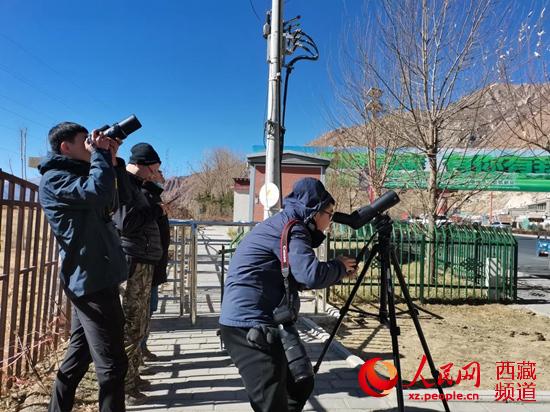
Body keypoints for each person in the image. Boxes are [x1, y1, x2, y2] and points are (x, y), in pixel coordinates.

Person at [219, 177, 357, 412]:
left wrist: (337, 271)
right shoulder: (294, 227)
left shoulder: (285, 223)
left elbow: (292, 276)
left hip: (262, 319)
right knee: (271, 403)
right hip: (248, 324)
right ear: (315, 212)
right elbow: (309, 275)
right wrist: (339, 267)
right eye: (330, 214)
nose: (330, 221)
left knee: (300, 383)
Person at [38, 122, 128, 412]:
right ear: (66, 147)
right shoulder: (55, 179)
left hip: (94, 276)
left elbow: (112, 203)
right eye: (84, 141)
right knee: (113, 365)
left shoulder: (78, 176)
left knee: (80, 355)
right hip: (91, 281)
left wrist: (110, 161)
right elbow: (98, 193)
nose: (90, 145)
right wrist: (99, 156)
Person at [113, 142, 164, 404]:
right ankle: (124, 387)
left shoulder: (136, 186)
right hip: (132, 263)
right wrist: (156, 210)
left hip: (143, 261)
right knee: (131, 325)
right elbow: (126, 222)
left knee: (139, 324)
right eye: (153, 169)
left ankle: (132, 377)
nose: (154, 174)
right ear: (141, 165)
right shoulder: (125, 186)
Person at [140, 168, 170, 361]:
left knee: (149, 308)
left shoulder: (153, 196)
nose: (162, 175)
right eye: (158, 170)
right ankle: (137, 351)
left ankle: (142, 348)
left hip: (155, 260)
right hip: (146, 262)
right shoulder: (144, 196)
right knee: (142, 309)